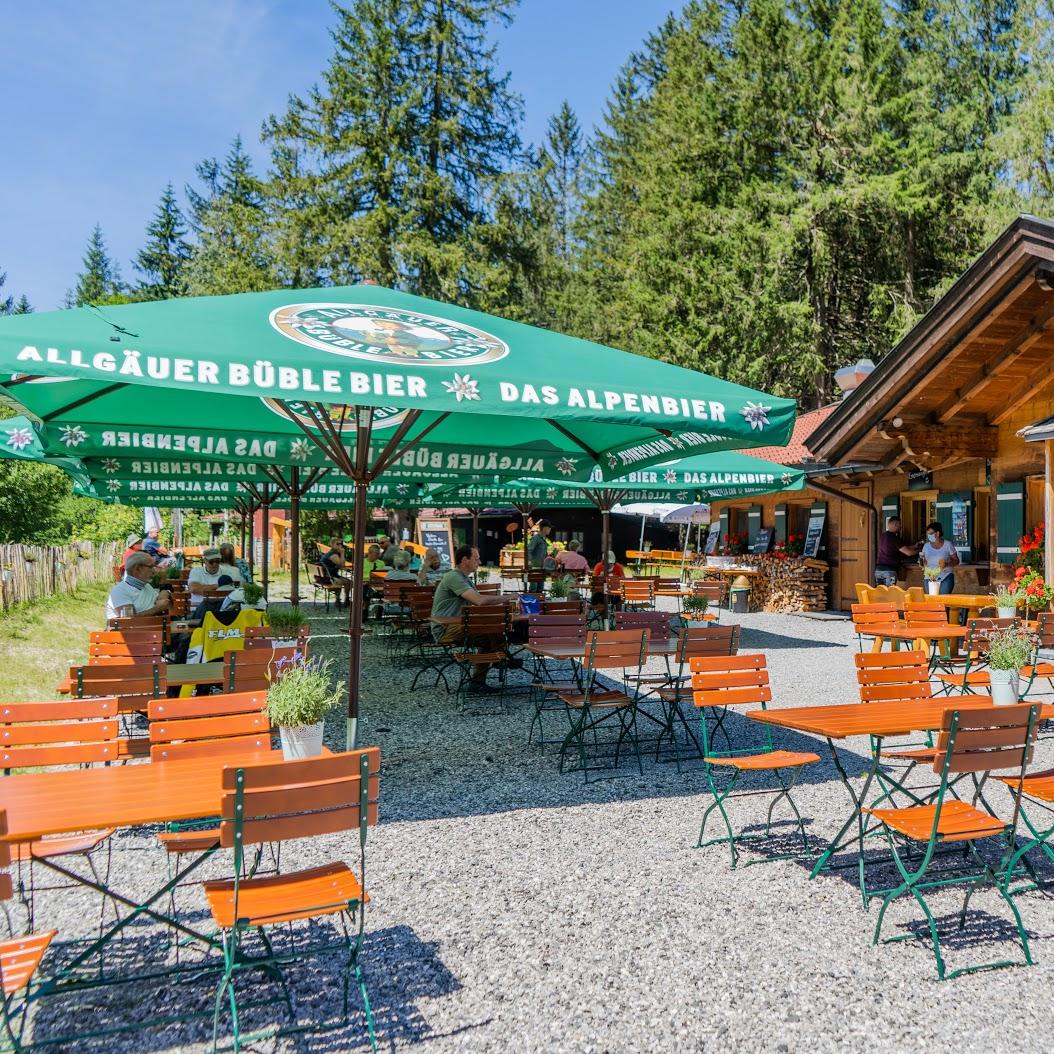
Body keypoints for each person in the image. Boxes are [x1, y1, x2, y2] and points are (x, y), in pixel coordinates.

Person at [430, 545, 507, 692]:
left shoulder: (465, 579)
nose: (480, 561)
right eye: (476, 558)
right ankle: (503, 658)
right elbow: (479, 601)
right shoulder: (453, 576)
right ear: (465, 559)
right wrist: (509, 597)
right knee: (489, 630)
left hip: (458, 626)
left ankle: (478, 681)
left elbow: (479, 605)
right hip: (444, 629)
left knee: (490, 634)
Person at [106, 552, 172, 620]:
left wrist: (165, 593)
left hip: (153, 628)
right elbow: (129, 621)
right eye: (150, 567)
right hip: (133, 630)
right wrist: (157, 609)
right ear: (137, 569)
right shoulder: (120, 591)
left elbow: (162, 601)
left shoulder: (146, 586)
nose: (154, 571)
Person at [874, 516, 921, 586]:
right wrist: (920, 551)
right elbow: (909, 553)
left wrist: (914, 546)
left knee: (881, 592)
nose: (901, 527)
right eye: (900, 524)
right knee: (891, 592)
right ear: (895, 524)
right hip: (889, 571)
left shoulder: (883, 536)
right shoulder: (894, 538)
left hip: (878, 571)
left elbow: (900, 548)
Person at [920, 520, 959, 595]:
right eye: (928, 534)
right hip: (929, 577)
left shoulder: (948, 544)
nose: (929, 536)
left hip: (945, 576)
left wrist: (947, 564)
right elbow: (923, 561)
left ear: (937, 533)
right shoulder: (926, 546)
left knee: (944, 602)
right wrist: (922, 563)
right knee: (931, 603)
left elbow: (956, 560)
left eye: (931, 533)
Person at [187, 548, 225, 615]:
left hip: (221, 610)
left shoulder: (226, 571)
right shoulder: (196, 571)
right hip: (198, 610)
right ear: (205, 561)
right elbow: (194, 589)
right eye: (211, 561)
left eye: (217, 561)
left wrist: (203, 588)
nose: (215, 564)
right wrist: (217, 585)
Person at [320, 536, 355, 607]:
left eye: (341, 544)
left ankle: (343, 600)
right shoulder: (333, 555)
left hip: (326, 576)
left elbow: (341, 566)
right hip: (329, 578)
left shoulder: (331, 553)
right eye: (337, 544)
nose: (340, 546)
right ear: (332, 545)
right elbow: (342, 565)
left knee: (348, 581)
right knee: (348, 582)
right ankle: (343, 600)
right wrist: (342, 553)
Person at [590, 550, 626, 617]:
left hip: (614, 593)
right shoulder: (599, 566)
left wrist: (615, 579)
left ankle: (619, 617)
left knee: (619, 596)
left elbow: (623, 579)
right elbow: (594, 580)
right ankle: (603, 617)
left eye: (611, 563)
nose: (609, 564)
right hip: (601, 593)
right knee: (600, 596)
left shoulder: (618, 567)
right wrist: (600, 577)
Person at [526, 520, 552, 593]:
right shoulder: (536, 538)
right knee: (534, 587)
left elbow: (542, 553)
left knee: (540, 587)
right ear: (544, 528)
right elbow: (529, 550)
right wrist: (529, 561)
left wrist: (550, 556)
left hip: (542, 566)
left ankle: (539, 602)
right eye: (549, 528)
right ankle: (531, 602)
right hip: (535, 565)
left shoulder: (543, 539)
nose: (550, 530)